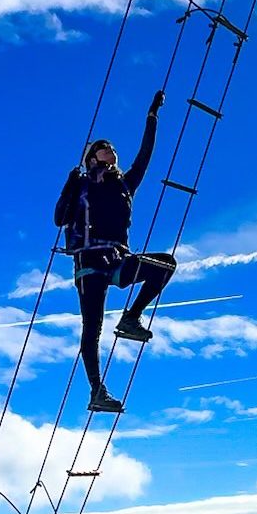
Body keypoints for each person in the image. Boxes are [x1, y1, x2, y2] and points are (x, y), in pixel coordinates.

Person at [54, 90, 178, 413]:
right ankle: (97, 391)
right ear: (92, 158)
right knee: (91, 327)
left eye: (110, 147)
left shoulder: (125, 184)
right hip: (90, 263)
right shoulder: (81, 184)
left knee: (165, 265)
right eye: (101, 147)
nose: (109, 148)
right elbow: (59, 218)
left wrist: (152, 116)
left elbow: (146, 154)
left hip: (117, 259)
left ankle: (131, 318)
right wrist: (71, 182)